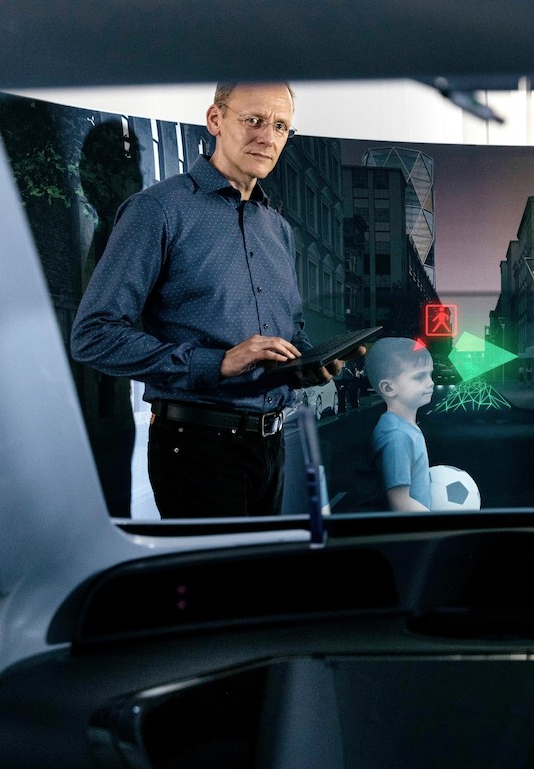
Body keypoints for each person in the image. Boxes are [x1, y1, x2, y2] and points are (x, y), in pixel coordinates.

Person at [71, 82, 361, 519]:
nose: (267, 136)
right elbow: (93, 335)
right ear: (215, 121)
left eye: (280, 126)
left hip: (271, 447)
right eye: (253, 120)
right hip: (196, 447)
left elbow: (292, 331)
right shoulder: (158, 210)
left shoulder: (279, 230)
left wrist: (308, 365)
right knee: (216, 589)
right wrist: (217, 362)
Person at [366, 338, 434, 512]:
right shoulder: (397, 436)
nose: (430, 382)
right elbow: (400, 503)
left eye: (430, 374)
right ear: (389, 388)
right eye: (420, 376)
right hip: (412, 533)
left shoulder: (402, 427)